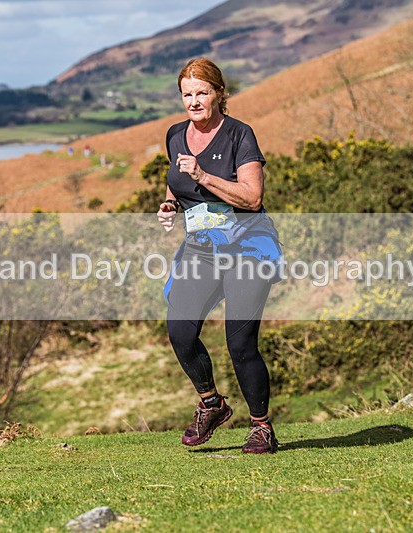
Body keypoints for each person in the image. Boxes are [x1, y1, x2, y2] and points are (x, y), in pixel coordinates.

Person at [157, 58, 283, 454]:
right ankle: (211, 404)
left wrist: (203, 176)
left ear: (219, 93)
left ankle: (261, 427)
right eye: (187, 94)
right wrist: (170, 204)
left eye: (202, 93)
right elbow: (176, 180)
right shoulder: (175, 135)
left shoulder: (239, 134)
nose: (194, 101)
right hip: (202, 248)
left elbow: (252, 197)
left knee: (240, 343)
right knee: (180, 331)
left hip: (247, 246)